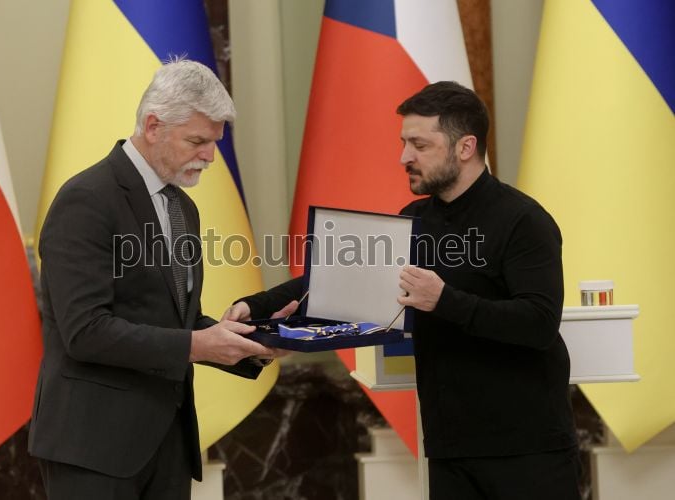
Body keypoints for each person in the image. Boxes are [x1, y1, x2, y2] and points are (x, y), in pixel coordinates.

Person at [227, 81, 581, 500]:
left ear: (465, 147)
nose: (404, 157)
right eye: (403, 143)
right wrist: (255, 305)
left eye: (419, 145)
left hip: (529, 448)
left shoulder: (524, 220)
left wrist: (445, 300)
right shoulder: (414, 218)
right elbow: (339, 278)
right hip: (449, 445)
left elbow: (539, 323)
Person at [28, 59, 286, 500]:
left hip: (167, 444)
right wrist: (196, 345)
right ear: (153, 126)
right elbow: (85, 331)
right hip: (93, 448)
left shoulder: (182, 207)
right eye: (198, 141)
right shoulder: (86, 200)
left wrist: (255, 342)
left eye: (215, 142)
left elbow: (175, 320)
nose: (210, 156)